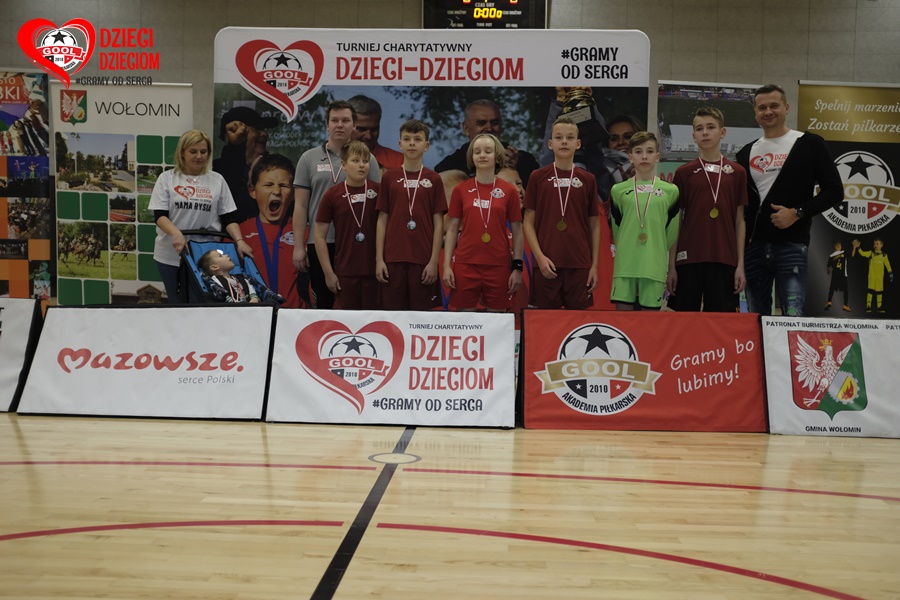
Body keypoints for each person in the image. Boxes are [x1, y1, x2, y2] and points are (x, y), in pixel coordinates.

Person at [735, 83, 844, 317]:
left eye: (774, 105)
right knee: (756, 320)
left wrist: (797, 212)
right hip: (752, 249)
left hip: (791, 246)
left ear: (786, 108)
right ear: (755, 113)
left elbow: (835, 191)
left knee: (793, 319)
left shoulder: (810, 143)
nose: (768, 111)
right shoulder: (744, 153)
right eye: (762, 107)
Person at [292, 100, 381, 309]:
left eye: (345, 120)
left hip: (357, 244)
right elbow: (301, 206)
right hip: (320, 242)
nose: (340, 125)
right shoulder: (308, 158)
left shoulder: (368, 159)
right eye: (335, 120)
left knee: (359, 305)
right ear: (327, 125)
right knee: (324, 301)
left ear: (354, 125)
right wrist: (298, 247)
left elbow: (377, 207)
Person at [149, 129, 252, 303]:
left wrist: (240, 241)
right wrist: (176, 233)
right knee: (176, 303)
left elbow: (228, 217)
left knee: (204, 303)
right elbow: (159, 216)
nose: (199, 156)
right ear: (182, 152)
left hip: (206, 256)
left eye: (203, 152)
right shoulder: (167, 179)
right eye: (193, 151)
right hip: (171, 254)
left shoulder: (217, 180)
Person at [667, 107, 747, 312]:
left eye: (711, 127)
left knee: (721, 323)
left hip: (724, 259)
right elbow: (677, 222)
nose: (705, 132)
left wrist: (740, 265)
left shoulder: (737, 172)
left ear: (722, 132)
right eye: (699, 129)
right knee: (684, 322)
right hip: (687, 260)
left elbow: (740, 221)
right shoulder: (684, 173)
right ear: (694, 136)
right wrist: (671, 266)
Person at [523, 116, 601, 310]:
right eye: (559, 137)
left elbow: (594, 224)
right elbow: (528, 222)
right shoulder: (537, 177)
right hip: (547, 263)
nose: (564, 141)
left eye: (569, 137)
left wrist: (593, 266)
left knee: (577, 322)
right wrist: (539, 257)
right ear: (550, 144)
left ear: (578, 143)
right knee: (546, 322)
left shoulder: (588, 179)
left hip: (580, 264)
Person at [443, 134, 524, 312]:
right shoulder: (461, 189)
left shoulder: (508, 190)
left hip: (499, 266)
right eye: (477, 151)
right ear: (471, 156)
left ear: (497, 156)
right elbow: (452, 229)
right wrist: (447, 265)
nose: (482, 155)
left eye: (488, 151)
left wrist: (517, 268)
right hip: (466, 264)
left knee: (497, 321)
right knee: (465, 321)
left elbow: (517, 231)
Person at [375, 119, 447, 310]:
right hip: (392, 259)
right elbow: (382, 219)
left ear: (426, 145)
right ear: (400, 144)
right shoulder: (389, 177)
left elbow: (438, 223)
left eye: (417, 139)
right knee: (392, 315)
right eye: (407, 139)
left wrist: (434, 261)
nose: (412, 143)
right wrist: (379, 259)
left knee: (421, 317)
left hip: (423, 259)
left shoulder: (434, 179)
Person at [609, 131, 679, 311]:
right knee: (623, 321)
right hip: (625, 265)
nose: (644, 156)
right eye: (639, 151)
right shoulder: (618, 190)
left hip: (653, 265)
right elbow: (617, 230)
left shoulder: (670, 191)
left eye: (649, 151)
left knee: (650, 322)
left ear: (657, 156)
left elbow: (671, 234)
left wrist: (656, 248)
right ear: (630, 157)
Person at [314, 141, 381, 310]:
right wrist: (328, 273)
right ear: (343, 165)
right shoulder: (332, 195)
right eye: (355, 161)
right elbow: (319, 236)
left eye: (365, 161)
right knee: (346, 321)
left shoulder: (379, 191)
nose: (362, 165)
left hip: (375, 272)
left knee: (375, 321)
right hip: (345, 272)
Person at [239, 153, 305, 308]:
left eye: (283, 186)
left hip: (295, 316)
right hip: (252, 315)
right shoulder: (239, 235)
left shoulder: (305, 233)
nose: (276, 191)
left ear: (293, 193)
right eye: (268, 185)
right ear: (252, 190)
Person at [434, 99, 539, 188]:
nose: (489, 128)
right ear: (466, 128)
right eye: (481, 123)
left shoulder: (525, 161)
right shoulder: (448, 167)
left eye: (494, 123)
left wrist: (514, 171)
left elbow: (538, 199)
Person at [212, 106, 279, 222]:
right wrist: (235, 147)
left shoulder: (274, 168)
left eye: (263, 129)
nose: (264, 134)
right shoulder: (216, 171)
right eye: (257, 129)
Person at [348, 94, 404, 171]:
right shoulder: (332, 159)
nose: (368, 136)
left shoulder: (399, 162)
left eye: (374, 129)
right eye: (361, 129)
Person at [852, 238, 893, 313]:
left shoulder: (884, 255)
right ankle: (868, 306)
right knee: (870, 291)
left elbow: (887, 264)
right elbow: (863, 253)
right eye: (874, 244)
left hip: (879, 278)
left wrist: (890, 273)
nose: (875, 245)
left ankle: (879, 307)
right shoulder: (871, 253)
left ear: (881, 245)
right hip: (871, 277)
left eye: (877, 244)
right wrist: (858, 247)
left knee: (879, 292)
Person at [825, 240, 851, 312]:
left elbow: (828, 266)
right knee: (845, 290)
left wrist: (828, 271)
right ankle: (845, 305)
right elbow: (852, 255)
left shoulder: (831, 256)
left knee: (832, 289)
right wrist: (854, 247)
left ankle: (829, 302)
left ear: (834, 247)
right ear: (839, 246)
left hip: (835, 275)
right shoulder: (844, 252)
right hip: (842, 275)